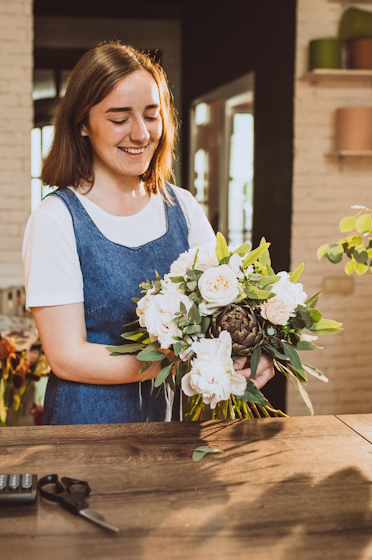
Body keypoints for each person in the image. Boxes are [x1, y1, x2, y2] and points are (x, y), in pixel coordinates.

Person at [22, 42, 274, 425]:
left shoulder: (183, 207)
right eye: (119, 118)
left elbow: (226, 313)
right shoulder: (56, 219)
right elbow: (67, 357)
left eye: (152, 115)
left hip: (174, 427)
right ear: (82, 124)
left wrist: (253, 352)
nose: (140, 134)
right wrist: (182, 360)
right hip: (86, 431)